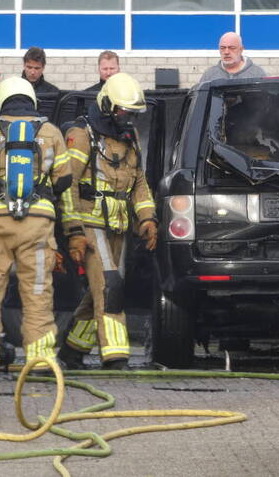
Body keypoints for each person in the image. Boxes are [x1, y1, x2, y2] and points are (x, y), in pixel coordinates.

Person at [0, 76, 72, 380]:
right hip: (37, 222)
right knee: (37, 291)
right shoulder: (50, 131)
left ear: (0, 100)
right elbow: (64, 180)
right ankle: (40, 361)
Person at [58, 72, 158, 371]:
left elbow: (139, 182)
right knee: (110, 288)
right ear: (106, 106)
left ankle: (73, 349)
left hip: (118, 226)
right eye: (123, 112)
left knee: (100, 289)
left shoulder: (130, 137)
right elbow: (67, 185)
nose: (128, 119)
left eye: (133, 113)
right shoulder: (82, 135)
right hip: (90, 225)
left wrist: (147, 218)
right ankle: (115, 356)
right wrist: (74, 231)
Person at [199, 32, 267, 82]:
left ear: (241, 49)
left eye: (232, 48)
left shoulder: (257, 73)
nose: (226, 52)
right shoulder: (209, 74)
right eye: (222, 48)